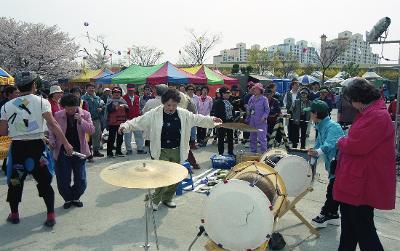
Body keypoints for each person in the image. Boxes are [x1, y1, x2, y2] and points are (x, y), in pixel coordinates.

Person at [118, 89, 222, 210]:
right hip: (161, 151)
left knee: (176, 176)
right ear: (163, 103)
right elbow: (138, 121)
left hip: (178, 150)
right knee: (162, 177)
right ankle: (155, 201)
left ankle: (167, 198)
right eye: (168, 105)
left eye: (174, 105)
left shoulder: (183, 114)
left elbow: (198, 119)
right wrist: (125, 126)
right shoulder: (154, 113)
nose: (171, 108)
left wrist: (212, 120)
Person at [0, 71, 74, 227]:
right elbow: (53, 124)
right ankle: (50, 215)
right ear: (34, 85)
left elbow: (2, 132)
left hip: (18, 149)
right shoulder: (42, 102)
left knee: (15, 182)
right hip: (37, 148)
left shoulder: (6, 106)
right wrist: (66, 143)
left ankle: (14, 214)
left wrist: (17, 131)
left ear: (18, 86)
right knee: (44, 182)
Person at [333, 78, 396, 251]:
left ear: (359, 98)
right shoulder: (372, 112)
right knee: (350, 230)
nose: (352, 104)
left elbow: (356, 145)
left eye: (352, 100)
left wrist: (341, 141)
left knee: (364, 231)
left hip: (360, 183)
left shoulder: (376, 115)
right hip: (356, 180)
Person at [49, 94, 94, 209]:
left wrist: (81, 121)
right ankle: (68, 198)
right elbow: (52, 130)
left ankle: (76, 196)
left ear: (77, 106)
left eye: (72, 108)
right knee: (63, 178)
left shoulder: (85, 114)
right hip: (62, 151)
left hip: (79, 151)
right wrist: (52, 140)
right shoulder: (58, 115)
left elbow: (92, 130)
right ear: (63, 107)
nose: (70, 111)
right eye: (67, 108)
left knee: (81, 178)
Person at [305, 100, 344, 227]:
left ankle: (325, 214)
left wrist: (318, 152)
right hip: (333, 165)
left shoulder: (333, 126)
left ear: (316, 113)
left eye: (311, 113)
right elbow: (318, 144)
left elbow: (330, 144)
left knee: (332, 190)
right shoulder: (320, 126)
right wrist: (313, 152)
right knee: (335, 189)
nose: (310, 115)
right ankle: (333, 214)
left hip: (342, 165)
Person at [122, 84, 147, 155]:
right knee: (127, 136)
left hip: (136, 119)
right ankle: (129, 150)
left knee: (139, 135)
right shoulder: (123, 98)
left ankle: (140, 149)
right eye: (129, 90)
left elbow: (140, 107)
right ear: (127, 89)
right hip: (127, 119)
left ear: (134, 90)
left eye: (132, 90)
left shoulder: (137, 97)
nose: (131, 92)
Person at [82, 84, 104, 158]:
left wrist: (101, 108)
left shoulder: (97, 98)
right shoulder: (83, 98)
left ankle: (96, 151)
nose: (91, 90)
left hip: (96, 119)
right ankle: (88, 152)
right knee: (87, 136)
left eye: (93, 88)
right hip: (86, 120)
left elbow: (102, 105)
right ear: (86, 89)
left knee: (97, 135)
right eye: (90, 88)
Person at [246, 83, 270, 153]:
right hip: (252, 121)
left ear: (260, 90)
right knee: (252, 138)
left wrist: (264, 117)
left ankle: (264, 153)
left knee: (262, 138)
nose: (255, 90)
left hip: (261, 121)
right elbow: (249, 108)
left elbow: (267, 110)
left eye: (256, 89)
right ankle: (253, 152)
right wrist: (248, 114)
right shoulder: (251, 98)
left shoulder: (264, 99)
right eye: (254, 89)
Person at [106, 87, 129, 158]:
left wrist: (126, 106)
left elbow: (128, 111)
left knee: (120, 138)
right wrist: (115, 107)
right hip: (112, 123)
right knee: (111, 138)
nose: (117, 94)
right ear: (112, 94)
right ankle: (109, 153)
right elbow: (108, 110)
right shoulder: (110, 101)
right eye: (115, 93)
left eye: (118, 93)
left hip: (121, 123)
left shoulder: (123, 101)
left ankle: (118, 151)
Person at [213, 87, 234, 155]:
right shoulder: (218, 102)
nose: (228, 94)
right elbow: (216, 114)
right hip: (222, 122)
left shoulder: (229, 101)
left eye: (229, 93)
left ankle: (230, 152)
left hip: (230, 122)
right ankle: (221, 153)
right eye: (226, 93)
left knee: (230, 138)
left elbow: (232, 110)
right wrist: (217, 123)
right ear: (222, 94)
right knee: (221, 138)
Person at [283, 79, 300, 145]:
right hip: (289, 111)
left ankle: (295, 140)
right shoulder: (288, 93)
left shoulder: (299, 93)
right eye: (296, 85)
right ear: (292, 86)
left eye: (298, 85)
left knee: (296, 125)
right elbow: (284, 101)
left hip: (297, 111)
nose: (297, 86)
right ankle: (290, 139)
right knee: (289, 125)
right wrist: (286, 106)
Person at [186, 84, 199, 149]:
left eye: (192, 89)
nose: (191, 91)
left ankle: (193, 144)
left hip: (194, 116)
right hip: (186, 116)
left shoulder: (196, 97)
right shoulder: (184, 97)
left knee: (193, 131)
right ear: (187, 90)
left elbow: (198, 107)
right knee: (187, 131)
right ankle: (187, 145)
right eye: (189, 89)